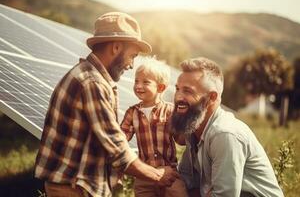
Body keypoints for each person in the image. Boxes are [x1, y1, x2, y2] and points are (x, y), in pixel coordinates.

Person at [34, 12, 178, 197]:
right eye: (132, 56)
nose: (131, 65)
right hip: (72, 188)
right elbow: (115, 145)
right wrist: (156, 175)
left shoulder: (91, 77)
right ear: (116, 47)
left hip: (76, 185)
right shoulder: (92, 83)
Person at [171, 57, 284, 197]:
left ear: (212, 97)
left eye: (187, 91)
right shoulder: (193, 127)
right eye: (177, 89)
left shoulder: (224, 134)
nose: (178, 97)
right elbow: (187, 182)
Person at [120, 57, 188, 197]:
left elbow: (181, 139)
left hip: (169, 173)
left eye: (145, 82)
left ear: (161, 87)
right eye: (136, 81)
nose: (138, 86)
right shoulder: (131, 113)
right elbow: (121, 139)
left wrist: (184, 123)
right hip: (144, 175)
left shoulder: (170, 111)